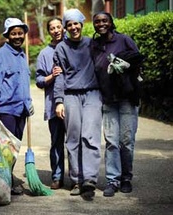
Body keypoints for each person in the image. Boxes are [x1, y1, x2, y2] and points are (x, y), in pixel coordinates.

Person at [91, 12, 144, 197]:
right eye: (97, 21)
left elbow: (139, 60)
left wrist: (125, 65)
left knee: (126, 142)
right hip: (108, 100)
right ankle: (113, 180)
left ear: (111, 23)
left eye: (104, 20)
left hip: (128, 99)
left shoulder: (124, 40)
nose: (101, 24)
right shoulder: (94, 45)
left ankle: (126, 178)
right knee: (112, 142)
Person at [53, 9, 102, 199]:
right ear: (66, 27)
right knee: (73, 137)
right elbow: (60, 76)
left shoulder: (92, 43)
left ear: (82, 24)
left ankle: (89, 180)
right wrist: (59, 101)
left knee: (90, 136)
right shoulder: (61, 48)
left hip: (92, 93)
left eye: (76, 23)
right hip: (70, 95)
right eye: (69, 24)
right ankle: (76, 179)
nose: (73, 27)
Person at [0, 18, 33, 195]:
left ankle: (7, 179)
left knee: (13, 150)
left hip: (21, 110)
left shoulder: (22, 55)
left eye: (20, 33)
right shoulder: (1, 55)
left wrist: (29, 103)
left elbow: (24, 83)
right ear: (7, 35)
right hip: (6, 110)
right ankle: (2, 183)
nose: (17, 36)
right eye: (13, 33)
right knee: (5, 150)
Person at [35, 17, 65, 190]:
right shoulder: (44, 53)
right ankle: (57, 176)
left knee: (75, 142)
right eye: (52, 28)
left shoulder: (71, 47)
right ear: (49, 32)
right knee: (56, 142)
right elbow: (39, 80)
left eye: (58, 27)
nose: (56, 30)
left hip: (73, 103)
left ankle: (77, 177)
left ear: (63, 28)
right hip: (53, 104)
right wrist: (52, 76)